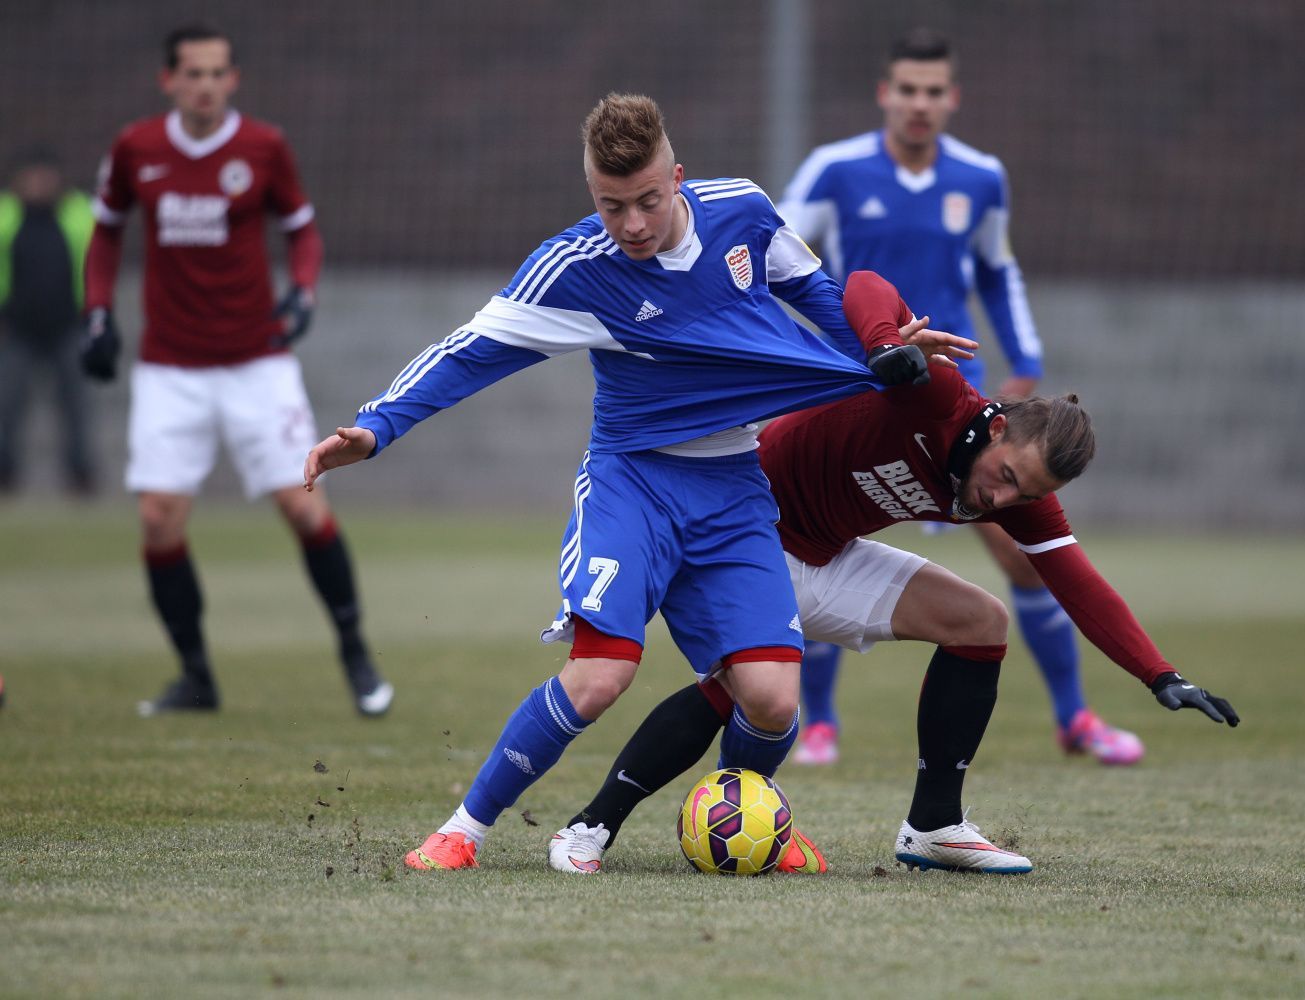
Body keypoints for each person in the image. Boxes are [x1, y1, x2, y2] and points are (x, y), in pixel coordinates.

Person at [303, 94, 941, 873]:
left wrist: (879, 358)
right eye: (611, 206)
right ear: (590, 195)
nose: (632, 224)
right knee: (602, 675)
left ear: (678, 177)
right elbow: (469, 348)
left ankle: (751, 826)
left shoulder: (741, 210)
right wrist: (379, 426)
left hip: (735, 487)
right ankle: (462, 833)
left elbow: (819, 296)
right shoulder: (577, 270)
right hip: (634, 485)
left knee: (774, 701)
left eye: (647, 200)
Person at [546, 270, 1239, 876]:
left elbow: (1079, 583)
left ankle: (934, 825)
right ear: (998, 431)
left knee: (980, 622)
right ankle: (590, 826)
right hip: (741, 537)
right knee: (750, 689)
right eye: (1005, 479)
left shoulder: (1016, 494)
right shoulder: (937, 396)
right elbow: (864, 284)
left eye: (1023, 496)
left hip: (825, 551)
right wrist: (883, 345)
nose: (1001, 501)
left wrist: (1160, 674)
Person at [776, 27, 1141, 766]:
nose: (919, 103)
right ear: (886, 93)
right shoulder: (834, 169)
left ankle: (1074, 717)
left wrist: (1027, 357)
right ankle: (819, 722)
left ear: (952, 98)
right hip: (870, 394)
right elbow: (783, 254)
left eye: (933, 91)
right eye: (906, 89)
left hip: (959, 406)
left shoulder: (981, 177)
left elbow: (998, 271)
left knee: (1025, 560)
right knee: (824, 526)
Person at [79, 24, 393, 717]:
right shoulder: (137, 148)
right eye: (193, 73)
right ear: (169, 81)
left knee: (304, 503)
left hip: (258, 362)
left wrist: (303, 291)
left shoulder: (263, 148)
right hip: (171, 367)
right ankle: (196, 676)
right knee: (159, 519)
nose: (206, 85)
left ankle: (356, 655)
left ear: (234, 79)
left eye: (218, 73)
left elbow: (302, 229)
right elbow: (106, 233)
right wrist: (97, 314)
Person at [0, 148, 97, 495]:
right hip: (17, 329)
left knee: (76, 408)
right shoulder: (6, 215)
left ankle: (81, 477)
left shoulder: (78, 213)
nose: (39, 184)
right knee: (7, 406)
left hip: (68, 326)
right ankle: (5, 476)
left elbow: (98, 263)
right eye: (32, 176)